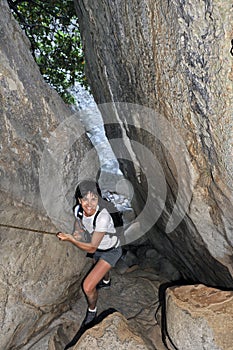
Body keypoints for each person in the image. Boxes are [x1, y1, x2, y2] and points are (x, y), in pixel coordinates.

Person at [57, 179, 122, 326]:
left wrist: (72, 239)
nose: (89, 204)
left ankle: (92, 310)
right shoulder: (78, 209)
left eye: (94, 199)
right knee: (97, 263)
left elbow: (92, 248)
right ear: (79, 200)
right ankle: (106, 281)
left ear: (98, 199)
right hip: (99, 248)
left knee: (87, 286)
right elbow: (78, 221)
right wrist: (78, 231)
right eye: (85, 199)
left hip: (112, 250)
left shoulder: (103, 217)